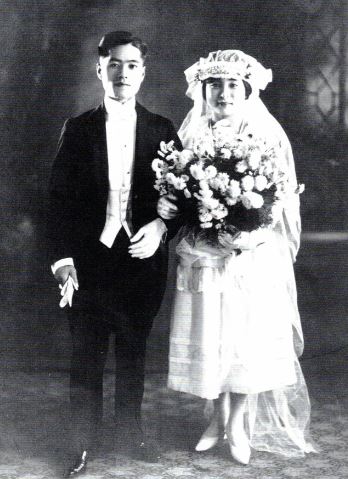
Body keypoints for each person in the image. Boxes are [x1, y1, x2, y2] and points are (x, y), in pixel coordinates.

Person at [158, 50, 315, 465]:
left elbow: (279, 197)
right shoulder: (191, 136)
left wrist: (248, 235)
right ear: (203, 91)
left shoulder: (264, 134)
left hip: (251, 254)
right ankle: (218, 418)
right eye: (215, 86)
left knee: (243, 338)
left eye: (232, 86)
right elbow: (180, 190)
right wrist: (189, 212)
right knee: (214, 333)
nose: (224, 93)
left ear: (245, 90)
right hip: (207, 250)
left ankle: (239, 423)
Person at [47, 31, 181, 477]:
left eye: (132, 65)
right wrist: (64, 260)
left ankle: (130, 431)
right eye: (114, 64)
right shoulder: (79, 128)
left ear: (143, 73)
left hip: (141, 260)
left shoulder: (163, 129)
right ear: (99, 69)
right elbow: (59, 201)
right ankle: (80, 442)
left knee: (134, 351)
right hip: (90, 260)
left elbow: (183, 199)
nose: (122, 73)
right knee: (86, 353)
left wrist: (162, 227)